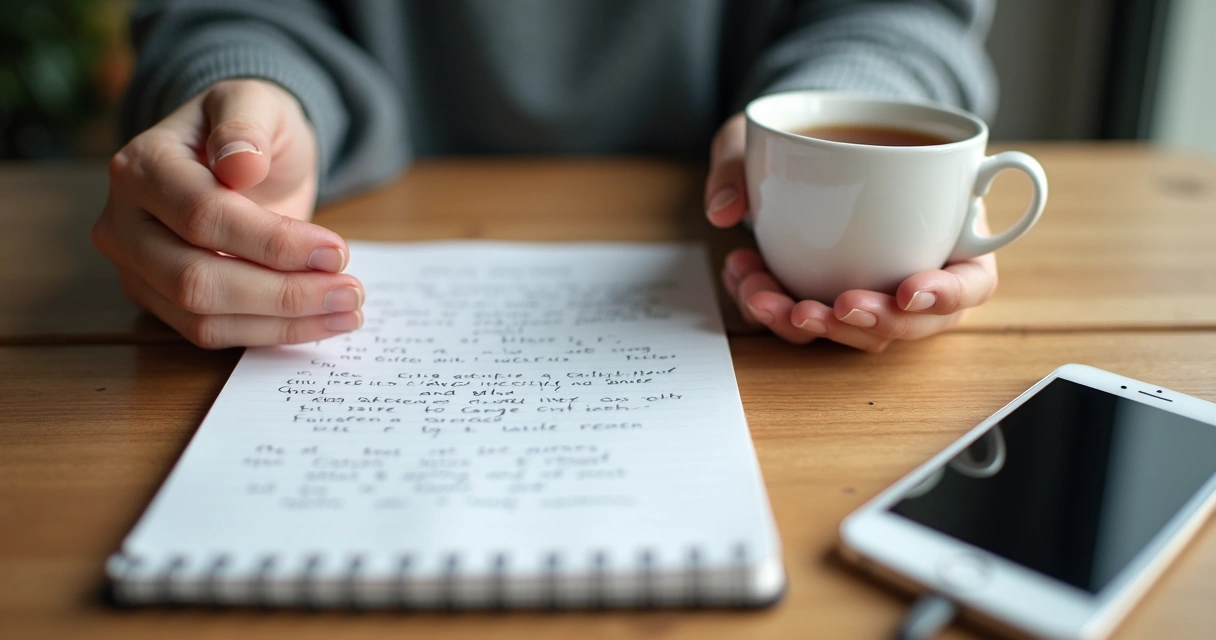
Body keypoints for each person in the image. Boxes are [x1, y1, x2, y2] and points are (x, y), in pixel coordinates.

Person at [93, 0, 999, 352]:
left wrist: (840, 144)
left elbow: (900, 17)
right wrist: (242, 99)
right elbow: (220, 11)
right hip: (354, 220)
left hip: (733, 291)